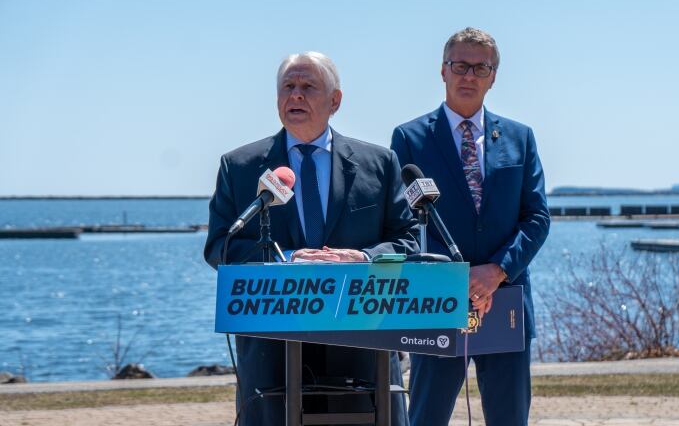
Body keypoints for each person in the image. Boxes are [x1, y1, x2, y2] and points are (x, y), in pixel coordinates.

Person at [204, 51, 417, 425]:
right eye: (288, 86)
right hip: (274, 356)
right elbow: (220, 247)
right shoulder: (238, 167)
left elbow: (407, 239)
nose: (296, 95)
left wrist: (363, 258)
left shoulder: (379, 164)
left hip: (362, 353)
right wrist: (285, 259)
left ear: (335, 100)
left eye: (308, 87)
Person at [390, 27, 550, 426]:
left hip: (506, 301)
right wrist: (451, 277)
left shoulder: (520, 138)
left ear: (494, 76)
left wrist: (496, 271)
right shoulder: (409, 139)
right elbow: (401, 221)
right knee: (425, 418)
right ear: (442, 71)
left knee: (510, 419)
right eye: (459, 65)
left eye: (481, 68)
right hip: (436, 302)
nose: (469, 75)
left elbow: (537, 217)